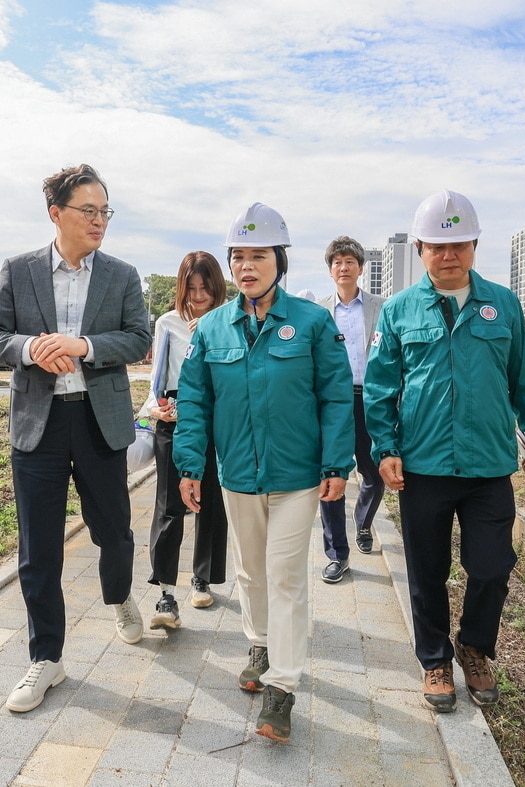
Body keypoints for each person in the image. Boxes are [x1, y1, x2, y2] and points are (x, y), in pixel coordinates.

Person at [364, 190, 525, 714]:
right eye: (437, 246)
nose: (449, 255)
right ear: (421, 249)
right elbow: (380, 387)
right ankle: (434, 661)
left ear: (473, 245)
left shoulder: (503, 304)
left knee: (491, 566)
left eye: (459, 245)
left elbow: (524, 376)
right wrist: (386, 448)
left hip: (489, 465)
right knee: (426, 571)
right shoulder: (401, 309)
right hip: (422, 465)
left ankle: (474, 648)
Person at [174, 202, 354, 743]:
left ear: (279, 259)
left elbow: (337, 397)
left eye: (258, 255)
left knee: (285, 575)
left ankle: (283, 685)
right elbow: (194, 400)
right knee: (251, 571)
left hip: (298, 476)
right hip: (237, 475)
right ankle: (260, 643)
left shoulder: (312, 322)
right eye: (238, 257)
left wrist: (336, 464)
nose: (247, 266)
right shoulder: (210, 329)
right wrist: (190, 465)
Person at [0, 164, 152, 714]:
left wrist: (81, 347)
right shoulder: (19, 270)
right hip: (40, 424)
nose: (100, 220)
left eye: (105, 211)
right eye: (89, 211)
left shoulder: (122, 275)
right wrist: (33, 349)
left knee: (115, 535)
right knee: (39, 549)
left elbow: (137, 339)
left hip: (99, 422)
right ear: (57, 213)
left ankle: (120, 595)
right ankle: (47, 657)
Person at [141, 251, 230, 630]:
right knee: (169, 503)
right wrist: (152, 408)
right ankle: (165, 593)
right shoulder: (167, 322)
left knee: (211, 500)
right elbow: (157, 372)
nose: (197, 295)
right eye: (191, 288)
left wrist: (211, 333)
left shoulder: (232, 319)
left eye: (205, 287)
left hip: (217, 415)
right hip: (174, 414)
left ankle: (202, 576)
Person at [314, 236, 386, 583]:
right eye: (337, 263)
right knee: (330, 475)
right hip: (331, 403)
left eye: (349, 262)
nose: (343, 268)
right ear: (330, 270)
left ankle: (364, 521)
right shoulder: (317, 312)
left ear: (360, 268)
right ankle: (337, 554)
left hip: (369, 399)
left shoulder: (381, 308)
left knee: (373, 474)